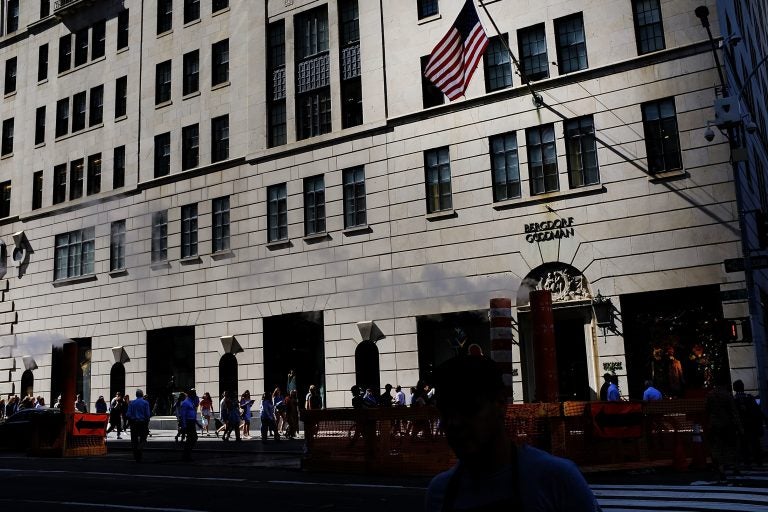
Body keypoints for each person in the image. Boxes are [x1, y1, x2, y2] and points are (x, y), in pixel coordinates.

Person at [425, 355, 601, 511]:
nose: (454, 423)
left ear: (500, 403)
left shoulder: (558, 478)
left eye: (469, 408)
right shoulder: (440, 491)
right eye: (445, 412)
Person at [706, 375, 742, 480]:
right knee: (732, 446)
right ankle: (735, 466)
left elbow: (707, 409)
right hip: (727, 423)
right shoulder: (727, 395)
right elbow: (733, 412)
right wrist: (739, 426)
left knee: (718, 447)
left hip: (715, 424)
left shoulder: (710, 395)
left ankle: (721, 469)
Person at [732, 379, 765, 467]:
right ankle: (758, 460)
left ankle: (747, 461)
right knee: (755, 443)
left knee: (744, 444)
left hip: (741, 425)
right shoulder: (749, 397)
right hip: (752, 424)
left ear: (734, 388)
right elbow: (757, 411)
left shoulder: (733, 399)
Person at [125, 388, 151, 462]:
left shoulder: (132, 403)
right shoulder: (145, 403)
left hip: (134, 423)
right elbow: (148, 414)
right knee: (143, 438)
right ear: (142, 395)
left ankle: (136, 456)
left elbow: (128, 414)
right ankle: (140, 448)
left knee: (134, 440)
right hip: (142, 423)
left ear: (136, 395)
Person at [179, 389, 200, 461]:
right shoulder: (185, 403)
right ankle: (186, 455)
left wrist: (198, 424)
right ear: (191, 395)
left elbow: (193, 414)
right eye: (194, 394)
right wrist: (184, 425)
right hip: (188, 423)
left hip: (192, 422)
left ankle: (187, 454)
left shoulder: (191, 402)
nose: (195, 396)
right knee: (192, 438)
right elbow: (183, 415)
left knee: (192, 438)